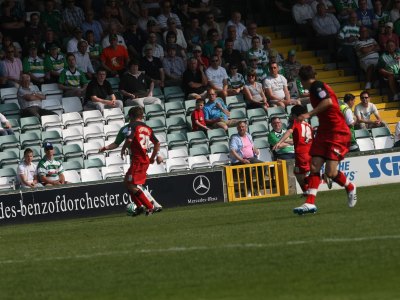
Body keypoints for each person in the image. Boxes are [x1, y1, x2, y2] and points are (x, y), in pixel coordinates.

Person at [293, 65, 357, 215]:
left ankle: (350, 187)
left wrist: (309, 114)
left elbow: (327, 102)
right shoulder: (315, 88)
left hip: (337, 131)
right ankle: (310, 203)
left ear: (302, 81)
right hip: (325, 131)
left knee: (330, 172)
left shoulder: (317, 86)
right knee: (314, 166)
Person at [120, 106, 161, 216]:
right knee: (127, 183)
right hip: (144, 159)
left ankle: (150, 207)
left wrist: (123, 149)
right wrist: (152, 157)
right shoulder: (148, 128)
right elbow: (157, 143)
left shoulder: (133, 126)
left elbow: (129, 139)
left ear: (132, 116)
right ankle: (139, 207)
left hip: (138, 160)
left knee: (132, 185)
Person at [272, 105, 312, 193]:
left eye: (292, 114)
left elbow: (290, 131)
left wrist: (280, 142)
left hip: (301, 153)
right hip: (310, 151)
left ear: (294, 115)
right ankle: (306, 191)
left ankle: (323, 177)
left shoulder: (296, 122)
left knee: (301, 173)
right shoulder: (308, 124)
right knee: (298, 173)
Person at [229, 120, 264, 197]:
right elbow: (232, 151)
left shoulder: (249, 135)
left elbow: (252, 145)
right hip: (239, 160)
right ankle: (249, 189)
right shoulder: (234, 138)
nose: (241, 128)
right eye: (239, 127)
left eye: (243, 127)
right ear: (237, 128)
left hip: (251, 158)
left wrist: (255, 149)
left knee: (263, 165)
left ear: (246, 127)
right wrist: (242, 160)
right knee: (247, 167)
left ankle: (258, 187)